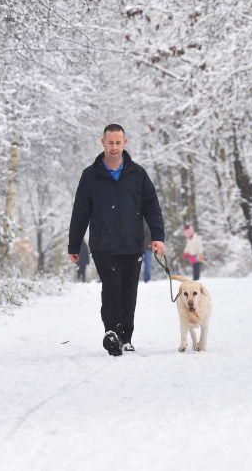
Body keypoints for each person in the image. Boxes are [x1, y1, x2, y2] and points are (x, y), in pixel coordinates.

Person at [69, 124, 166, 356]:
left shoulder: (138, 174)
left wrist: (158, 237)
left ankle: (126, 338)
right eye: (110, 142)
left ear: (125, 142)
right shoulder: (90, 176)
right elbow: (80, 212)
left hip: (133, 244)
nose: (114, 147)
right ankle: (112, 332)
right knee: (112, 287)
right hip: (103, 244)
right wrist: (74, 244)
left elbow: (152, 206)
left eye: (118, 142)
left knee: (129, 291)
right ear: (102, 142)